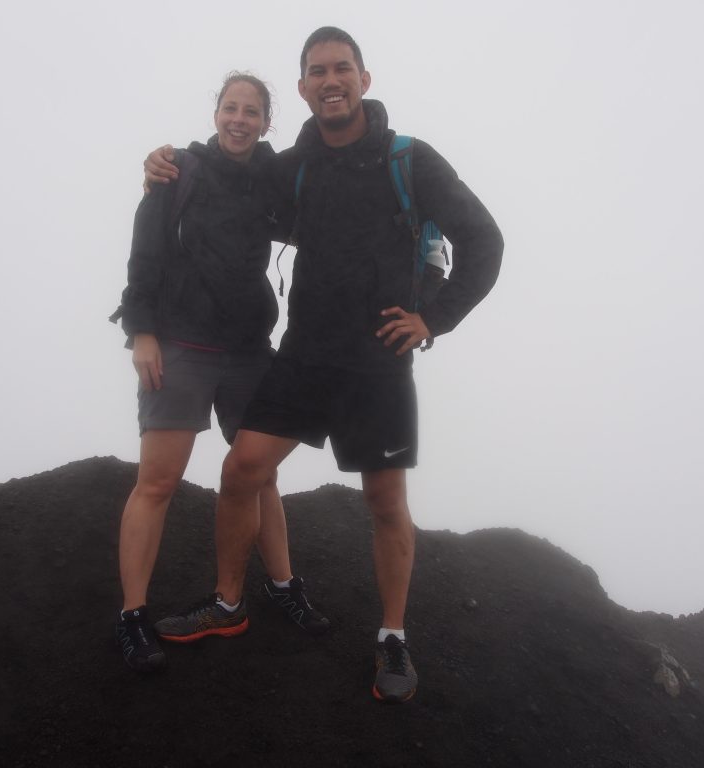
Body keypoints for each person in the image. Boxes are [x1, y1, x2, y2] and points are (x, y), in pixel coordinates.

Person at [144, 28, 503, 702]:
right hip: (305, 354)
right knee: (241, 469)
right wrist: (169, 165)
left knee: (385, 502)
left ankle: (392, 639)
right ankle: (229, 604)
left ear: (364, 79)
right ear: (304, 88)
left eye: (342, 69)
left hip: (379, 362)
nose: (330, 80)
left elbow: (485, 240)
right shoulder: (294, 166)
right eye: (316, 72)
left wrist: (436, 316)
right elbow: (232, 176)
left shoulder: (410, 160)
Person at [112, 72, 328, 674]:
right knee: (157, 482)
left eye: (252, 111)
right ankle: (133, 616)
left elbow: (318, 213)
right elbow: (144, 252)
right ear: (216, 114)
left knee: (259, 476)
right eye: (230, 108)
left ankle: (281, 586)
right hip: (179, 344)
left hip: (248, 349)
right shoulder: (178, 170)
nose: (239, 119)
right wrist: (142, 332)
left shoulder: (273, 178)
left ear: (266, 122)